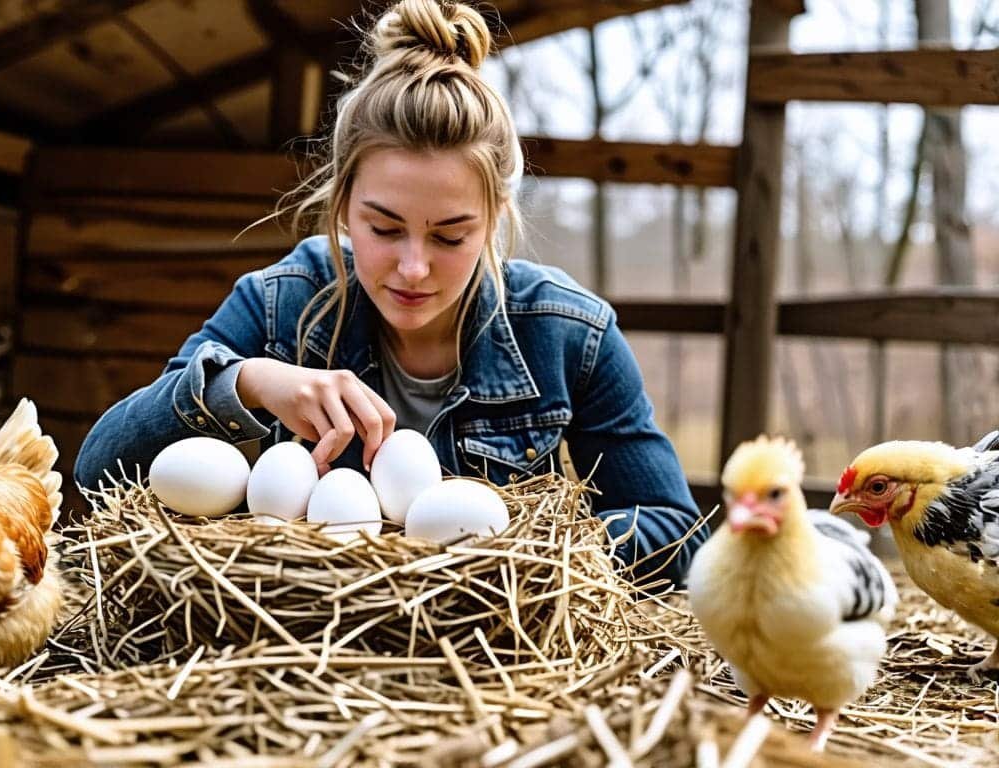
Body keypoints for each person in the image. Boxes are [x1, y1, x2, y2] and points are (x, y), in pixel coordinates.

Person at [75, 0, 706, 587]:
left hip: (491, 664)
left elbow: (674, 531)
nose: (412, 268)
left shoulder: (568, 333)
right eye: (384, 228)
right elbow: (98, 469)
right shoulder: (281, 303)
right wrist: (248, 382)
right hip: (305, 648)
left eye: (450, 237)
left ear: (495, 218)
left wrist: (523, 545)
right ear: (344, 204)